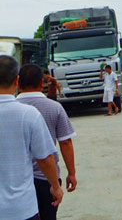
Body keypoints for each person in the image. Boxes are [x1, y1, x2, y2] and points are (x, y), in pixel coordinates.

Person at [0, 55, 63, 220]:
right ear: (16, 81)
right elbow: (45, 159)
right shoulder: (28, 114)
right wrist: (55, 187)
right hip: (21, 208)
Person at [17, 64, 77, 220]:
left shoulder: (11, 108)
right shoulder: (55, 108)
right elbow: (65, 142)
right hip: (47, 179)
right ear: (41, 83)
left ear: (18, 83)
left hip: (17, 180)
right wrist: (71, 173)